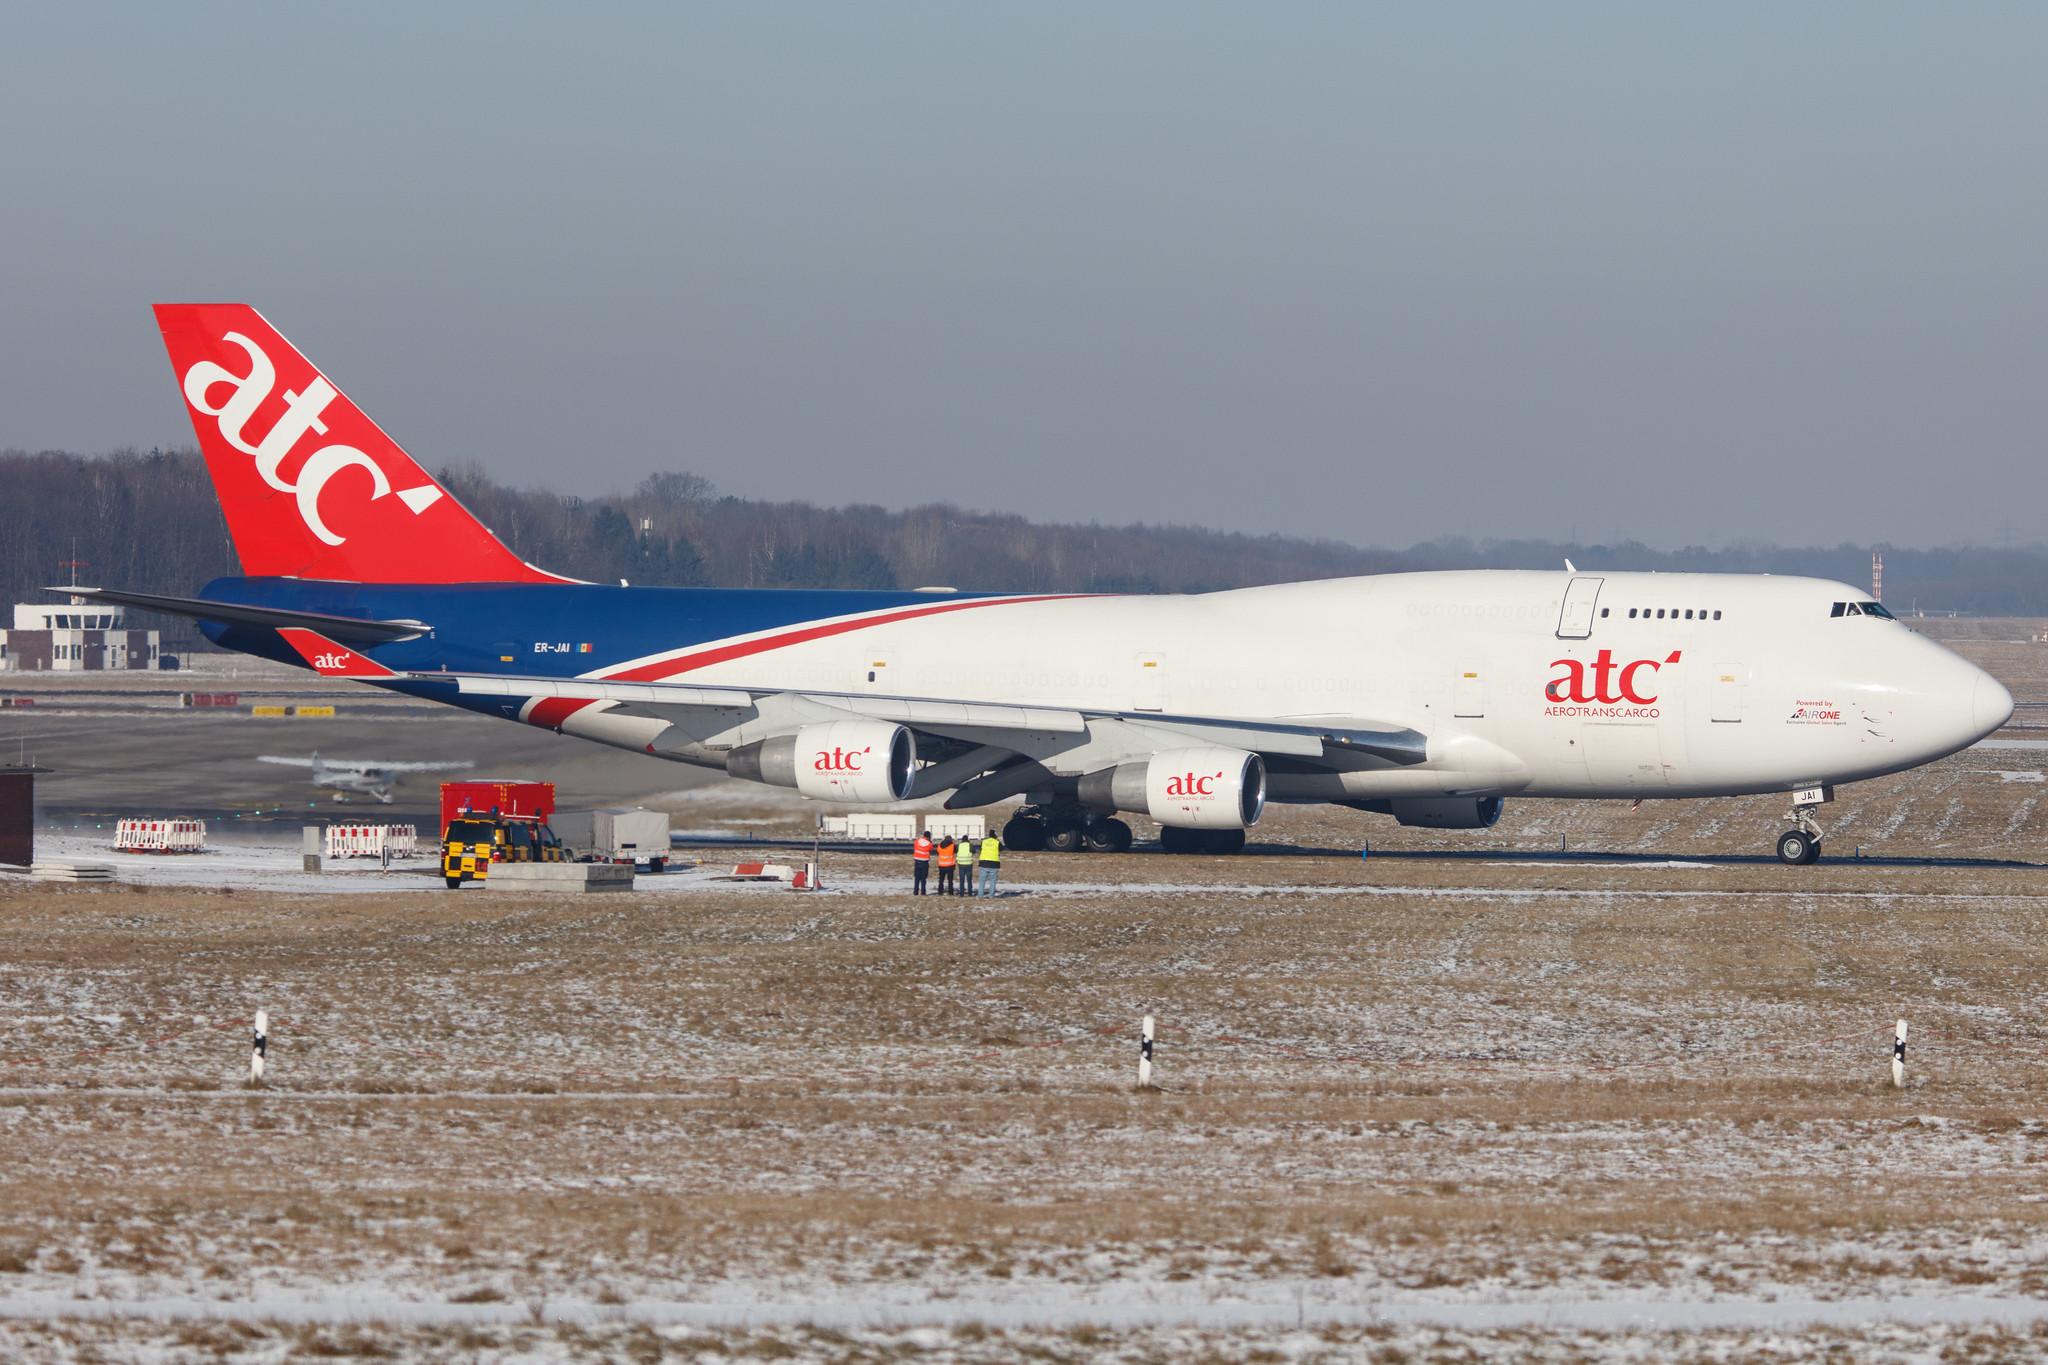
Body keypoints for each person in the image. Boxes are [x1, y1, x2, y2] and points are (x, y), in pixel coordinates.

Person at [976, 829, 1002, 897]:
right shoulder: (997, 842)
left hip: (984, 862)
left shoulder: (984, 841)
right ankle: (991, 895)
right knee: (992, 880)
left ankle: (980, 895)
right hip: (994, 863)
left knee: (982, 880)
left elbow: (980, 849)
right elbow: (1002, 848)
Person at [911, 829, 933, 895]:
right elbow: (930, 849)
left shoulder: (917, 841)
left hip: (917, 861)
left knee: (917, 878)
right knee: (923, 879)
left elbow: (914, 847)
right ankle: (923, 892)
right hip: (925, 862)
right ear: (929, 837)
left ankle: (915, 892)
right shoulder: (929, 844)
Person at [958, 831, 976, 896]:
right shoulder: (970, 845)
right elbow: (974, 851)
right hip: (968, 863)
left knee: (961, 880)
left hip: (961, 863)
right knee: (969, 879)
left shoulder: (959, 845)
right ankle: (970, 893)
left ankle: (961, 893)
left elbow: (956, 851)